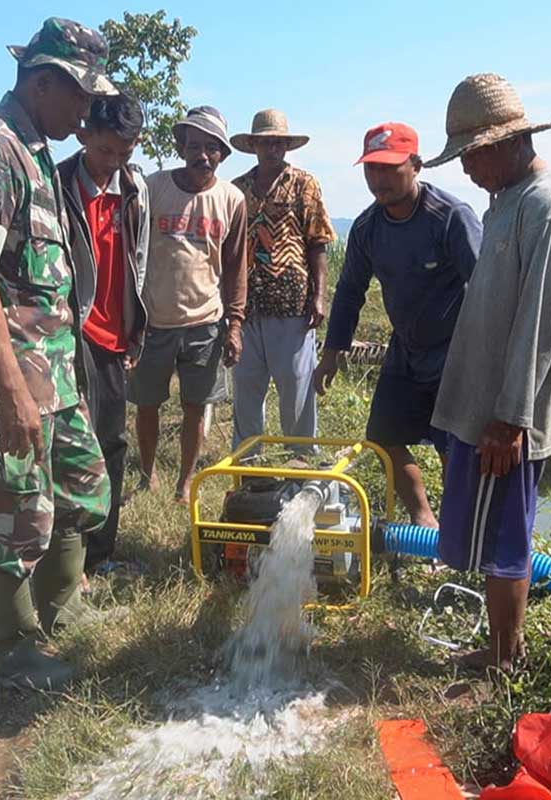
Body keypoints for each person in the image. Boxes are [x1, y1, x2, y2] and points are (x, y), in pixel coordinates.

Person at [0, 17, 115, 691]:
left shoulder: (35, 144)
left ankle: (62, 608)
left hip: (54, 368)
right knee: (15, 510)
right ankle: (16, 650)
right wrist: (12, 389)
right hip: (8, 374)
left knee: (80, 491)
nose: (88, 110)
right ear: (44, 83)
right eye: (80, 96)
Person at [426, 74, 551, 672]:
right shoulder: (505, 206)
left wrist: (510, 417)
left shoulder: (544, 209)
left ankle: (502, 662)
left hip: (508, 417)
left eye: (471, 156)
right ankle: (496, 650)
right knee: (492, 535)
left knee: (506, 542)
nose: (466, 170)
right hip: (488, 408)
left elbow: (541, 324)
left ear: (504, 144)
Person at [314, 122, 482, 527]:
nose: (379, 179)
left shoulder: (450, 218)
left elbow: (484, 288)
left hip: (454, 353)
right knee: (383, 437)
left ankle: (459, 535)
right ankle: (425, 521)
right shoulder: (368, 227)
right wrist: (331, 353)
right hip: (405, 351)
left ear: (417, 165)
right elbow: (351, 291)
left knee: (452, 449)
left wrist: (486, 362)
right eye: (372, 169)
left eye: (390, 168)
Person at [130, 106, 247, 503]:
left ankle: (185, 482)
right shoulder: (152, 188)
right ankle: (148, 476)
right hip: (154, 320)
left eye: (212, 148)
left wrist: (234, 324)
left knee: (196, 406)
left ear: (222, 154)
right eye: (194, 146)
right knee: (147, 404)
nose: (203, 155)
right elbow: (131, 252)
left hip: (205, 322)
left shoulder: (231, 199)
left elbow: (235, 267)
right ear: (180, 147)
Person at [56, 93, 150, 574]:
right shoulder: (55, 184)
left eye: (124, 152)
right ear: (83, 134)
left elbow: (138, 261)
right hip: (68, 335)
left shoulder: (134, 188)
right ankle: (60, 560)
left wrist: (134, 329)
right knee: (69, 445)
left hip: (115, 336)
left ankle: (99, 556)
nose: (112, 162)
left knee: (111, 444)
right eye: (105, 150)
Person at [230, 109, 334, 451]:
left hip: (292, 305)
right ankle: (249, 474)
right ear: (255, 146)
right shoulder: (237, 190)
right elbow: (228, 250)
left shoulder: (304, 184)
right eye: (265, 143)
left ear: (286, 146)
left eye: (277, 143)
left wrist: (319, 296)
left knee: (297, 393)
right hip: (246, 307)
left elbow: (318, 243)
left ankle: (301, 471)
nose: (271, 149)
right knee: (246, 395)